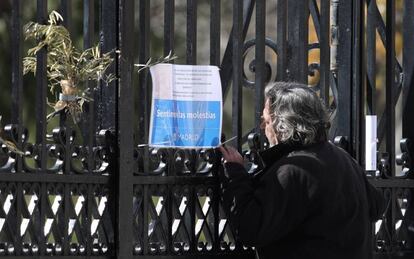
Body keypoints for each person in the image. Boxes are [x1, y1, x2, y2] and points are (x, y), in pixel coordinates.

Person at [219, 82, 384, 259]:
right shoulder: (343, 158)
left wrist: (235, 174)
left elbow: (251, 229)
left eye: (266, 121)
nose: (262, 127)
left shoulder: (292, 169)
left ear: (283, 124)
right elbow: (376, 206)